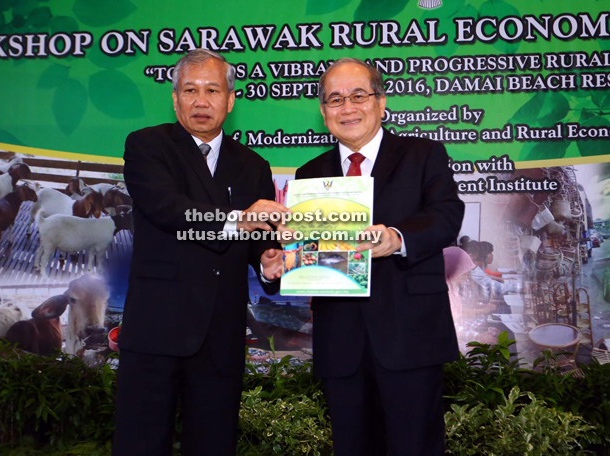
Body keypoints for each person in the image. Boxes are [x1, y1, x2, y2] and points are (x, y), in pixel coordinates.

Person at [112, 49, 286, 456]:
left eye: (212, 89)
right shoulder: (147, 146)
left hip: (220, 332)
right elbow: (167, 209)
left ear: (231, 99)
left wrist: (267, 260)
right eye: (190, 90)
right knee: (141, 442)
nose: (201, 100)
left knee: (213, 442)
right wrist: (239, 219)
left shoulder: (253, 164)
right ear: (175, 99)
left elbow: (258, 237)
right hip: (157, 325)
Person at [292, 58, 464, 455]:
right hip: (342, 342)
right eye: (335, 99)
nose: (347, 108)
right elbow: (313, 255)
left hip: (410, 335)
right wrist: (284, 260)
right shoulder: (309, 174)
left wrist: (398, 237)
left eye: (358, 96)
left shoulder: (424, 154)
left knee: (415, 446)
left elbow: (445, 215)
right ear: (323, 111)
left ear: (381, 102)